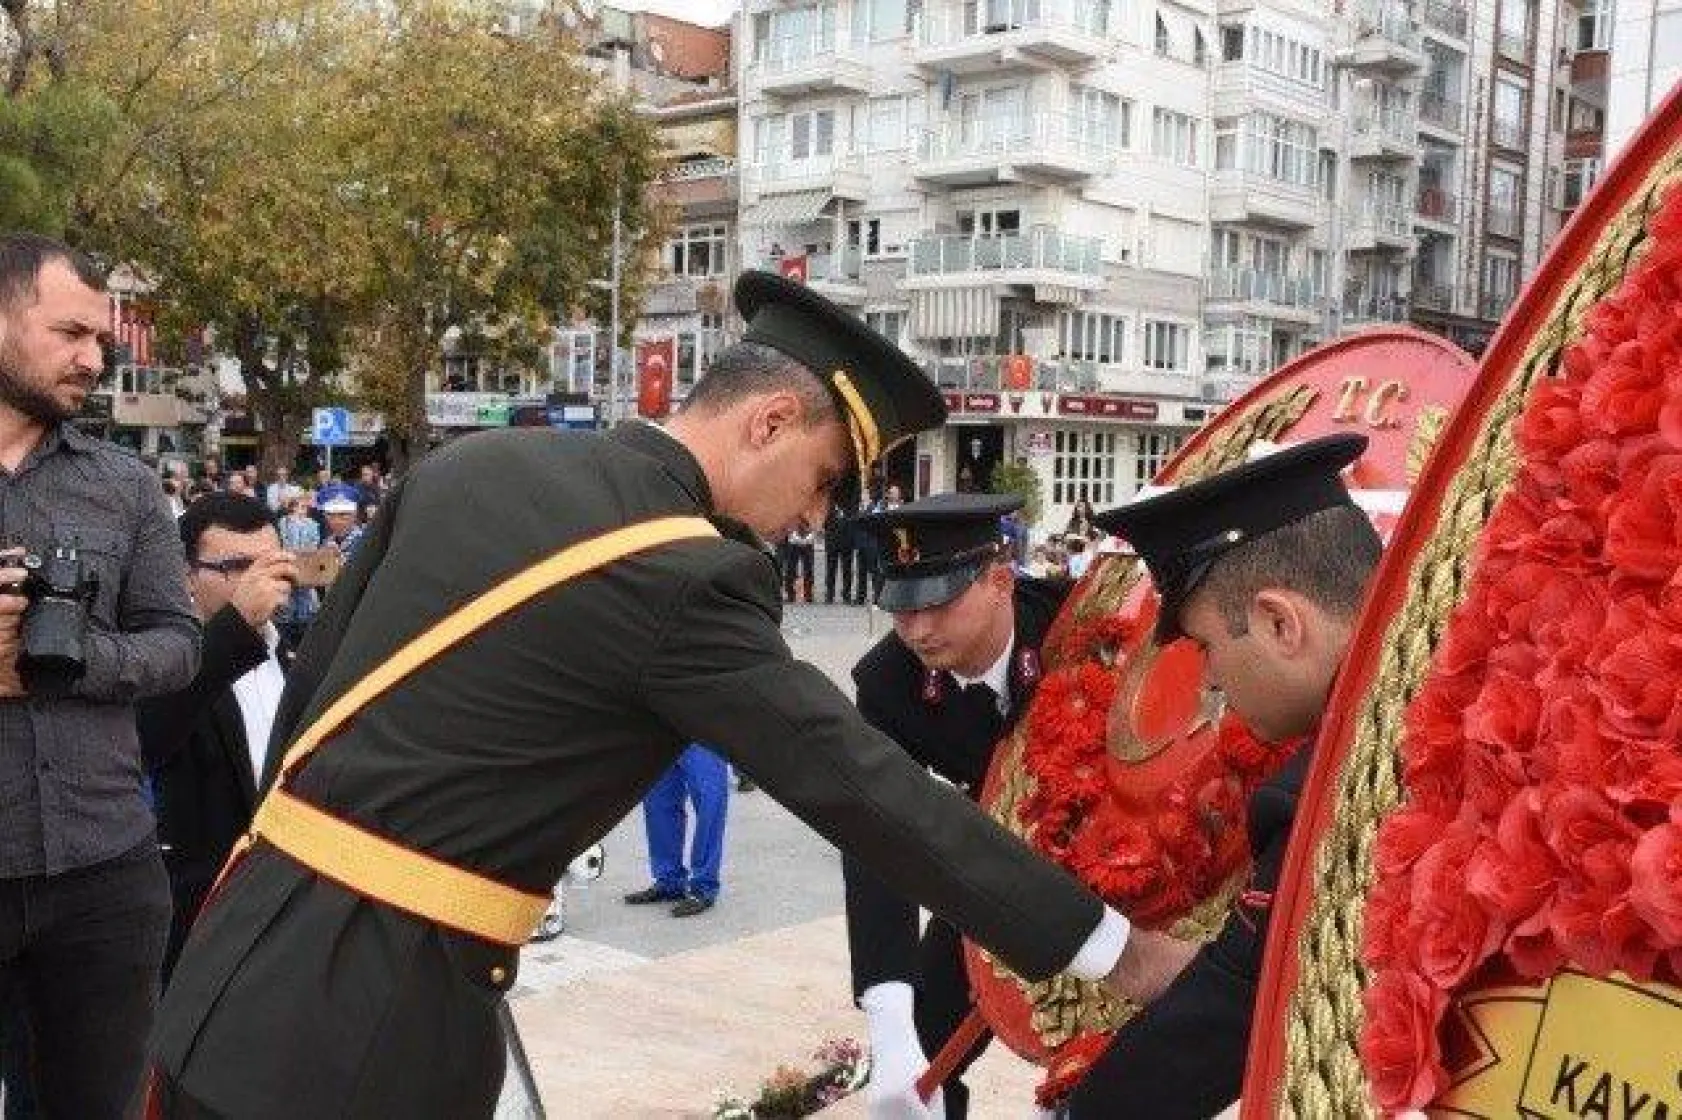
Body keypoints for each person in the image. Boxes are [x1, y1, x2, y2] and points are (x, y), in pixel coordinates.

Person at [149, 271, 1183, 1118]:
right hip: (369, 1045)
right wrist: (1116, 950)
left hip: (232, 964)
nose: (812, 519)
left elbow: (311, 700)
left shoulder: (474, 465)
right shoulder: (687, 574)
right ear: (770, 421)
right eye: (825, 479)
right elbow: (865, 791)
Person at [1065, 433, 1381, 1118]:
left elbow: (1237, 1007)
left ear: (1279, 623)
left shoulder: (1338, 794)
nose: (1208, 678)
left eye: (1206, 645)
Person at [0, 233, 201, 1116]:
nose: (92, 359)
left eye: (101, 341)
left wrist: (66, 658)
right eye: (70, 333)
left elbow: (179, 644)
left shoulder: (124, 485)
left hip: (103, 875)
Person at [846, 493, 1070, 1119]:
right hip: (995, 867)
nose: (918, 630)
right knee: (923, 1052)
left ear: (1000, 581)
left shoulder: (1074, 625)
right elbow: (875, 832)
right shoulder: (889, 683)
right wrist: (888, 1014)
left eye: (938, 603)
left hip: (1114, 867)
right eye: (901, 607)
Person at [140, 495, 298, 980]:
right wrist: (235, 629)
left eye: (271, 564)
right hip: (197, 919)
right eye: (237, 567)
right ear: (187, 575)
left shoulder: (297, 657)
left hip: (284, 908)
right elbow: (146, 737)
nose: (260, 581)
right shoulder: (164, 658)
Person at [622, 743, 731, 918]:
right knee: (658, 802)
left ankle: (703, 886)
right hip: (664, 732)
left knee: (709, 804)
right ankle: (669, 881)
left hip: (705, 733)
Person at [821, 499, 857, 604]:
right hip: (832, 542)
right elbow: (823, 522)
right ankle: (830, 594)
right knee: (830, 569)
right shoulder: (828, 506)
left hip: (847, 542)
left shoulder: (850, 507)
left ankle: (846, 594)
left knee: (847, 569)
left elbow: (854, 522)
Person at [782, 517, 816, 603]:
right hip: (793, 542)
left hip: (808, 541)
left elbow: (814, 524)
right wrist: (794, 536)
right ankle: (790, 594)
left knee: (808, 569)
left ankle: (808, 595)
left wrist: (809, 537)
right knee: (790, 569)